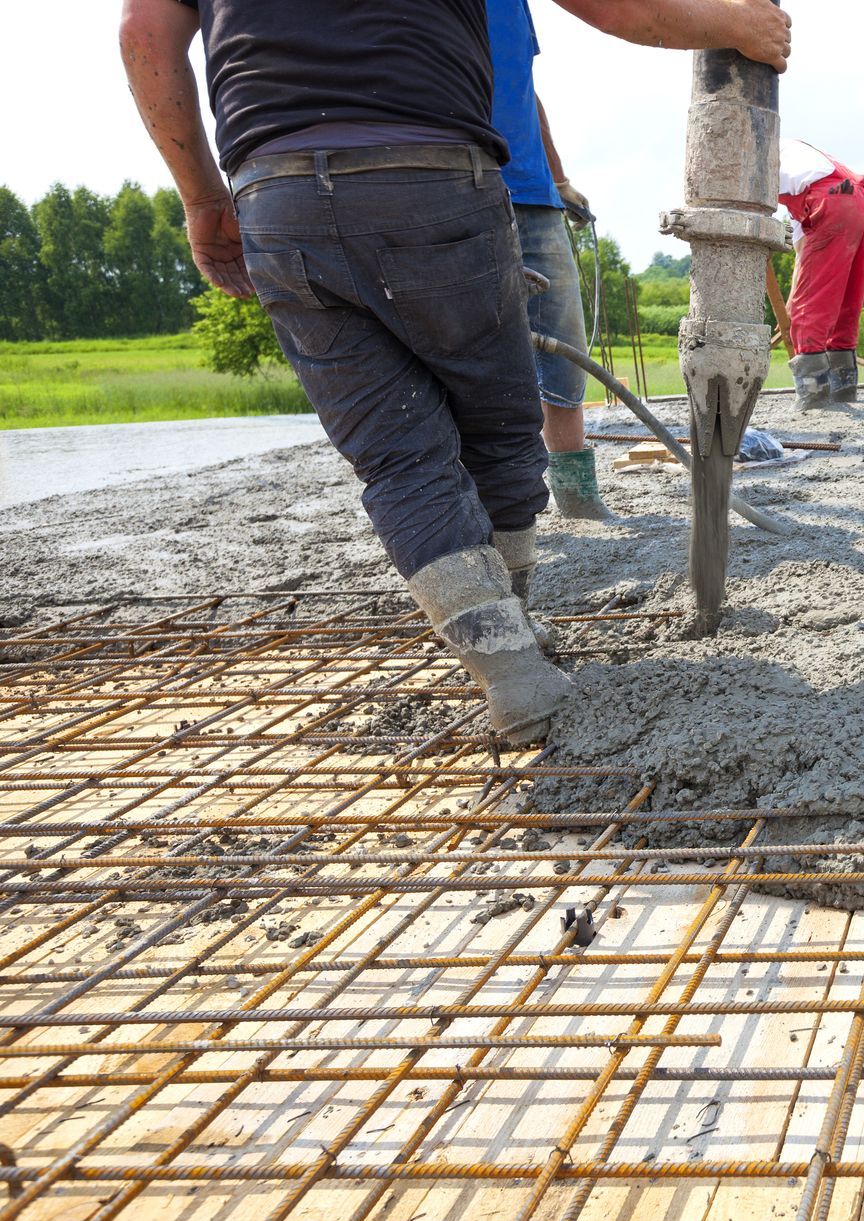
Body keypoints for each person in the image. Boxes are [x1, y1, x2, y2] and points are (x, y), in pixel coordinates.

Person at [119, 0, 790, 744]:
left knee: (397, 457)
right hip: (429, 176)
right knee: (498, 424)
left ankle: (511, 670)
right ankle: (518, 637)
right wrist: (735, 24)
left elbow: (144, 37)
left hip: (276, 195)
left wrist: (203, 197)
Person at [487, 0, 613, 521]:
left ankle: (576, 495)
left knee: (563, 338)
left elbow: (522, 92)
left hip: (534, 193)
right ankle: (487, 503)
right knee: (474, 343)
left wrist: (557, 178)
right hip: (461, 183)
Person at [768, 139, 864, 411]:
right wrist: (792, 300)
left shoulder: (762, 153)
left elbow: (805, 264)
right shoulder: (803, 161)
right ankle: (843, 392)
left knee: (811, 309)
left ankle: (813, 398)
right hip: (863, 201)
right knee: (845, 306)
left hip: (830, 199)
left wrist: (797, 305)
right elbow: (802, 252)